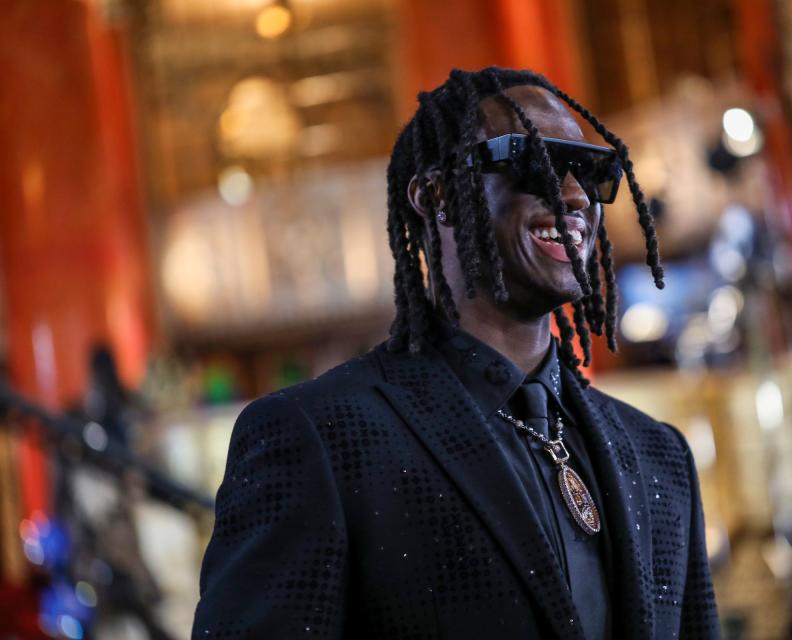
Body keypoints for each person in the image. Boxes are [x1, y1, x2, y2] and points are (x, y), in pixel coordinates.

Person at [192, 67, 718, 639]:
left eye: (589, 171)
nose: (571, 193)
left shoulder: (660, 457)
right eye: (530, 160)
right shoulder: (318, 438)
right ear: (437, 194)